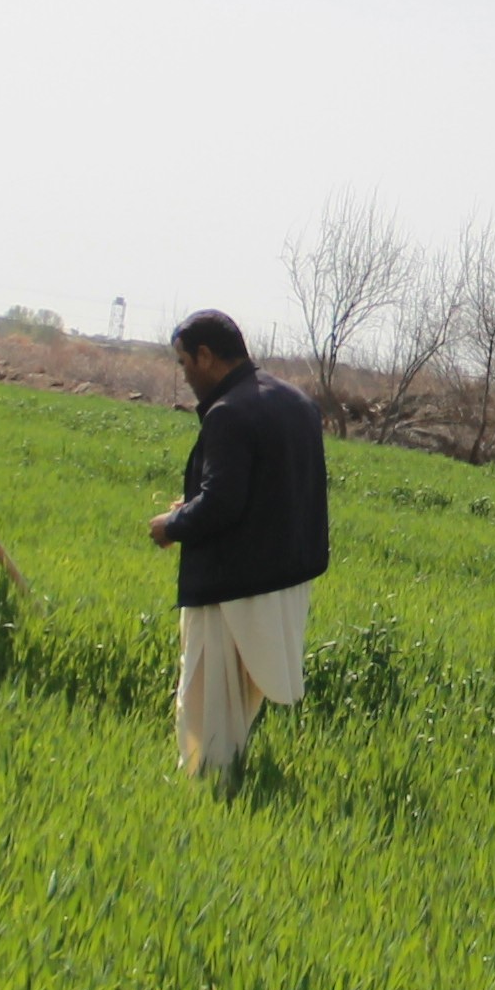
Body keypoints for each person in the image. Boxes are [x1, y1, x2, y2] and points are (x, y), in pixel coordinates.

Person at [147, 310, 329, 782]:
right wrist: (195, 504)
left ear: (206, 356)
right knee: (240, 701)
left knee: (207, 700)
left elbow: (223, 505)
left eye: (185, 362)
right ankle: (228, 779)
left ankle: (208, 787)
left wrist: (172, 524)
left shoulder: (228, 412)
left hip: (232, 583)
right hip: (287, 579)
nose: (185, 375)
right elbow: (272, 490)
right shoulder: (296, 401)